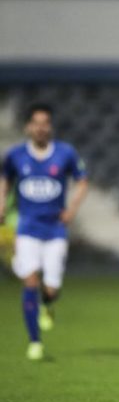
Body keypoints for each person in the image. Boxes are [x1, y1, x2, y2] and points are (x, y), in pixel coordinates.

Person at [0, 103, 89, 360]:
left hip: (55, 229)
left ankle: (48, 303)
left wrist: (71, 209)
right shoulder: (16, 156)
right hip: (27, 227)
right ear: (28, 127)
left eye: (45, 123)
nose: (41, 128)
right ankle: (35, 342)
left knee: (50, 287)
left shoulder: (65, 153)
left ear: (50, 126)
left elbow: (82, 181)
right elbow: (4, 179)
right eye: (36, 123)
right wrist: (2, 203)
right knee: (30, 281)